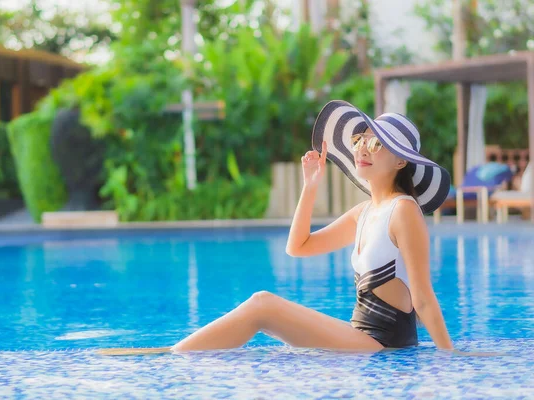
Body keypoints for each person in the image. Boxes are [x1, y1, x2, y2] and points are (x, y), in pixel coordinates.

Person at [99, 100, 456, 356]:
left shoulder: (403, 209)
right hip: (360, 338)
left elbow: (423, 296)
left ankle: (168, 356)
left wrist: (450, 358)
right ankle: (175, 351)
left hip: (381, 345)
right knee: (261, 318)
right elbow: (298, 247)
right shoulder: (364, 212)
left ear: (399, 160)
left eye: (377, 143)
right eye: (361, 139)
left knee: (262, 305)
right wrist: (310, 186)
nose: (363, 147)